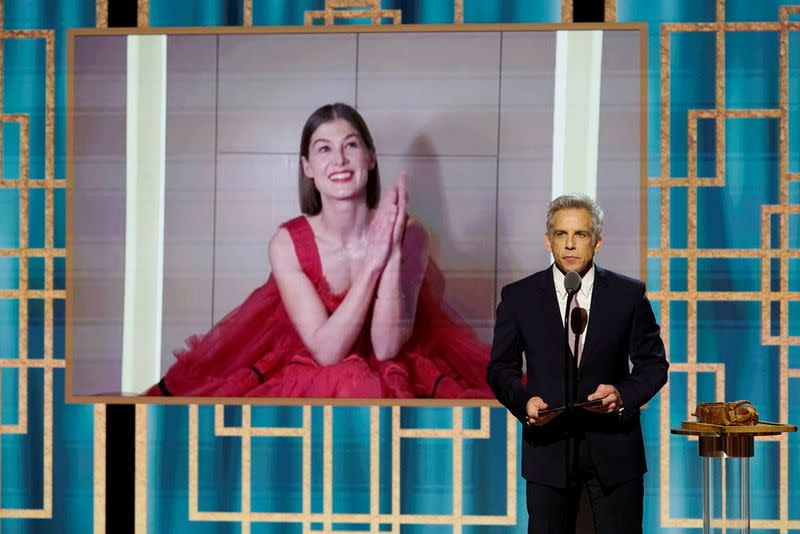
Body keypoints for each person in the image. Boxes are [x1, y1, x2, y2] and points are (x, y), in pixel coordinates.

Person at [146, 103, 492, 399]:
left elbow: (387, 348)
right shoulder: (286, 244)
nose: (339, 160)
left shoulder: (412, 235)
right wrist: (372, 263)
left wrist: (389, 254)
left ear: (370, 158)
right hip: (309, 360)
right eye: (324, 149)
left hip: (395, 365)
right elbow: (328, 352)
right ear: (308, 167)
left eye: (351, 145)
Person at [486, 194, 668, 533]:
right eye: (560, 234)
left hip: (615, 454)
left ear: (597, 242)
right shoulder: (519, 297)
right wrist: (524, 401)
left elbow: (653, 365)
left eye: (580, 235)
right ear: (548, 240)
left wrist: (621, 395)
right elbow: (499, 369)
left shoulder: (628, 295)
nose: (570, 245)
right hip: (548, 453)